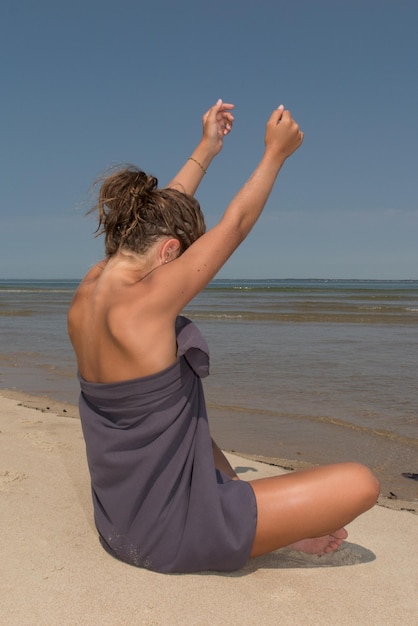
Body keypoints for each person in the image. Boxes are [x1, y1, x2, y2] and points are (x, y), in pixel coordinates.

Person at [68, 99, 379, 573]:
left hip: (120, 524)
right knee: (361, 484)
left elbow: (156, 216)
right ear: (171, 250)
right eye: (181, 255)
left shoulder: (90, 290)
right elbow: (234, 225)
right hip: (172, 533)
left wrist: (208, 148)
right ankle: (257, 531)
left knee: (181, 410)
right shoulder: (148, 303)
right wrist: (275, 155)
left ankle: (248, 511)